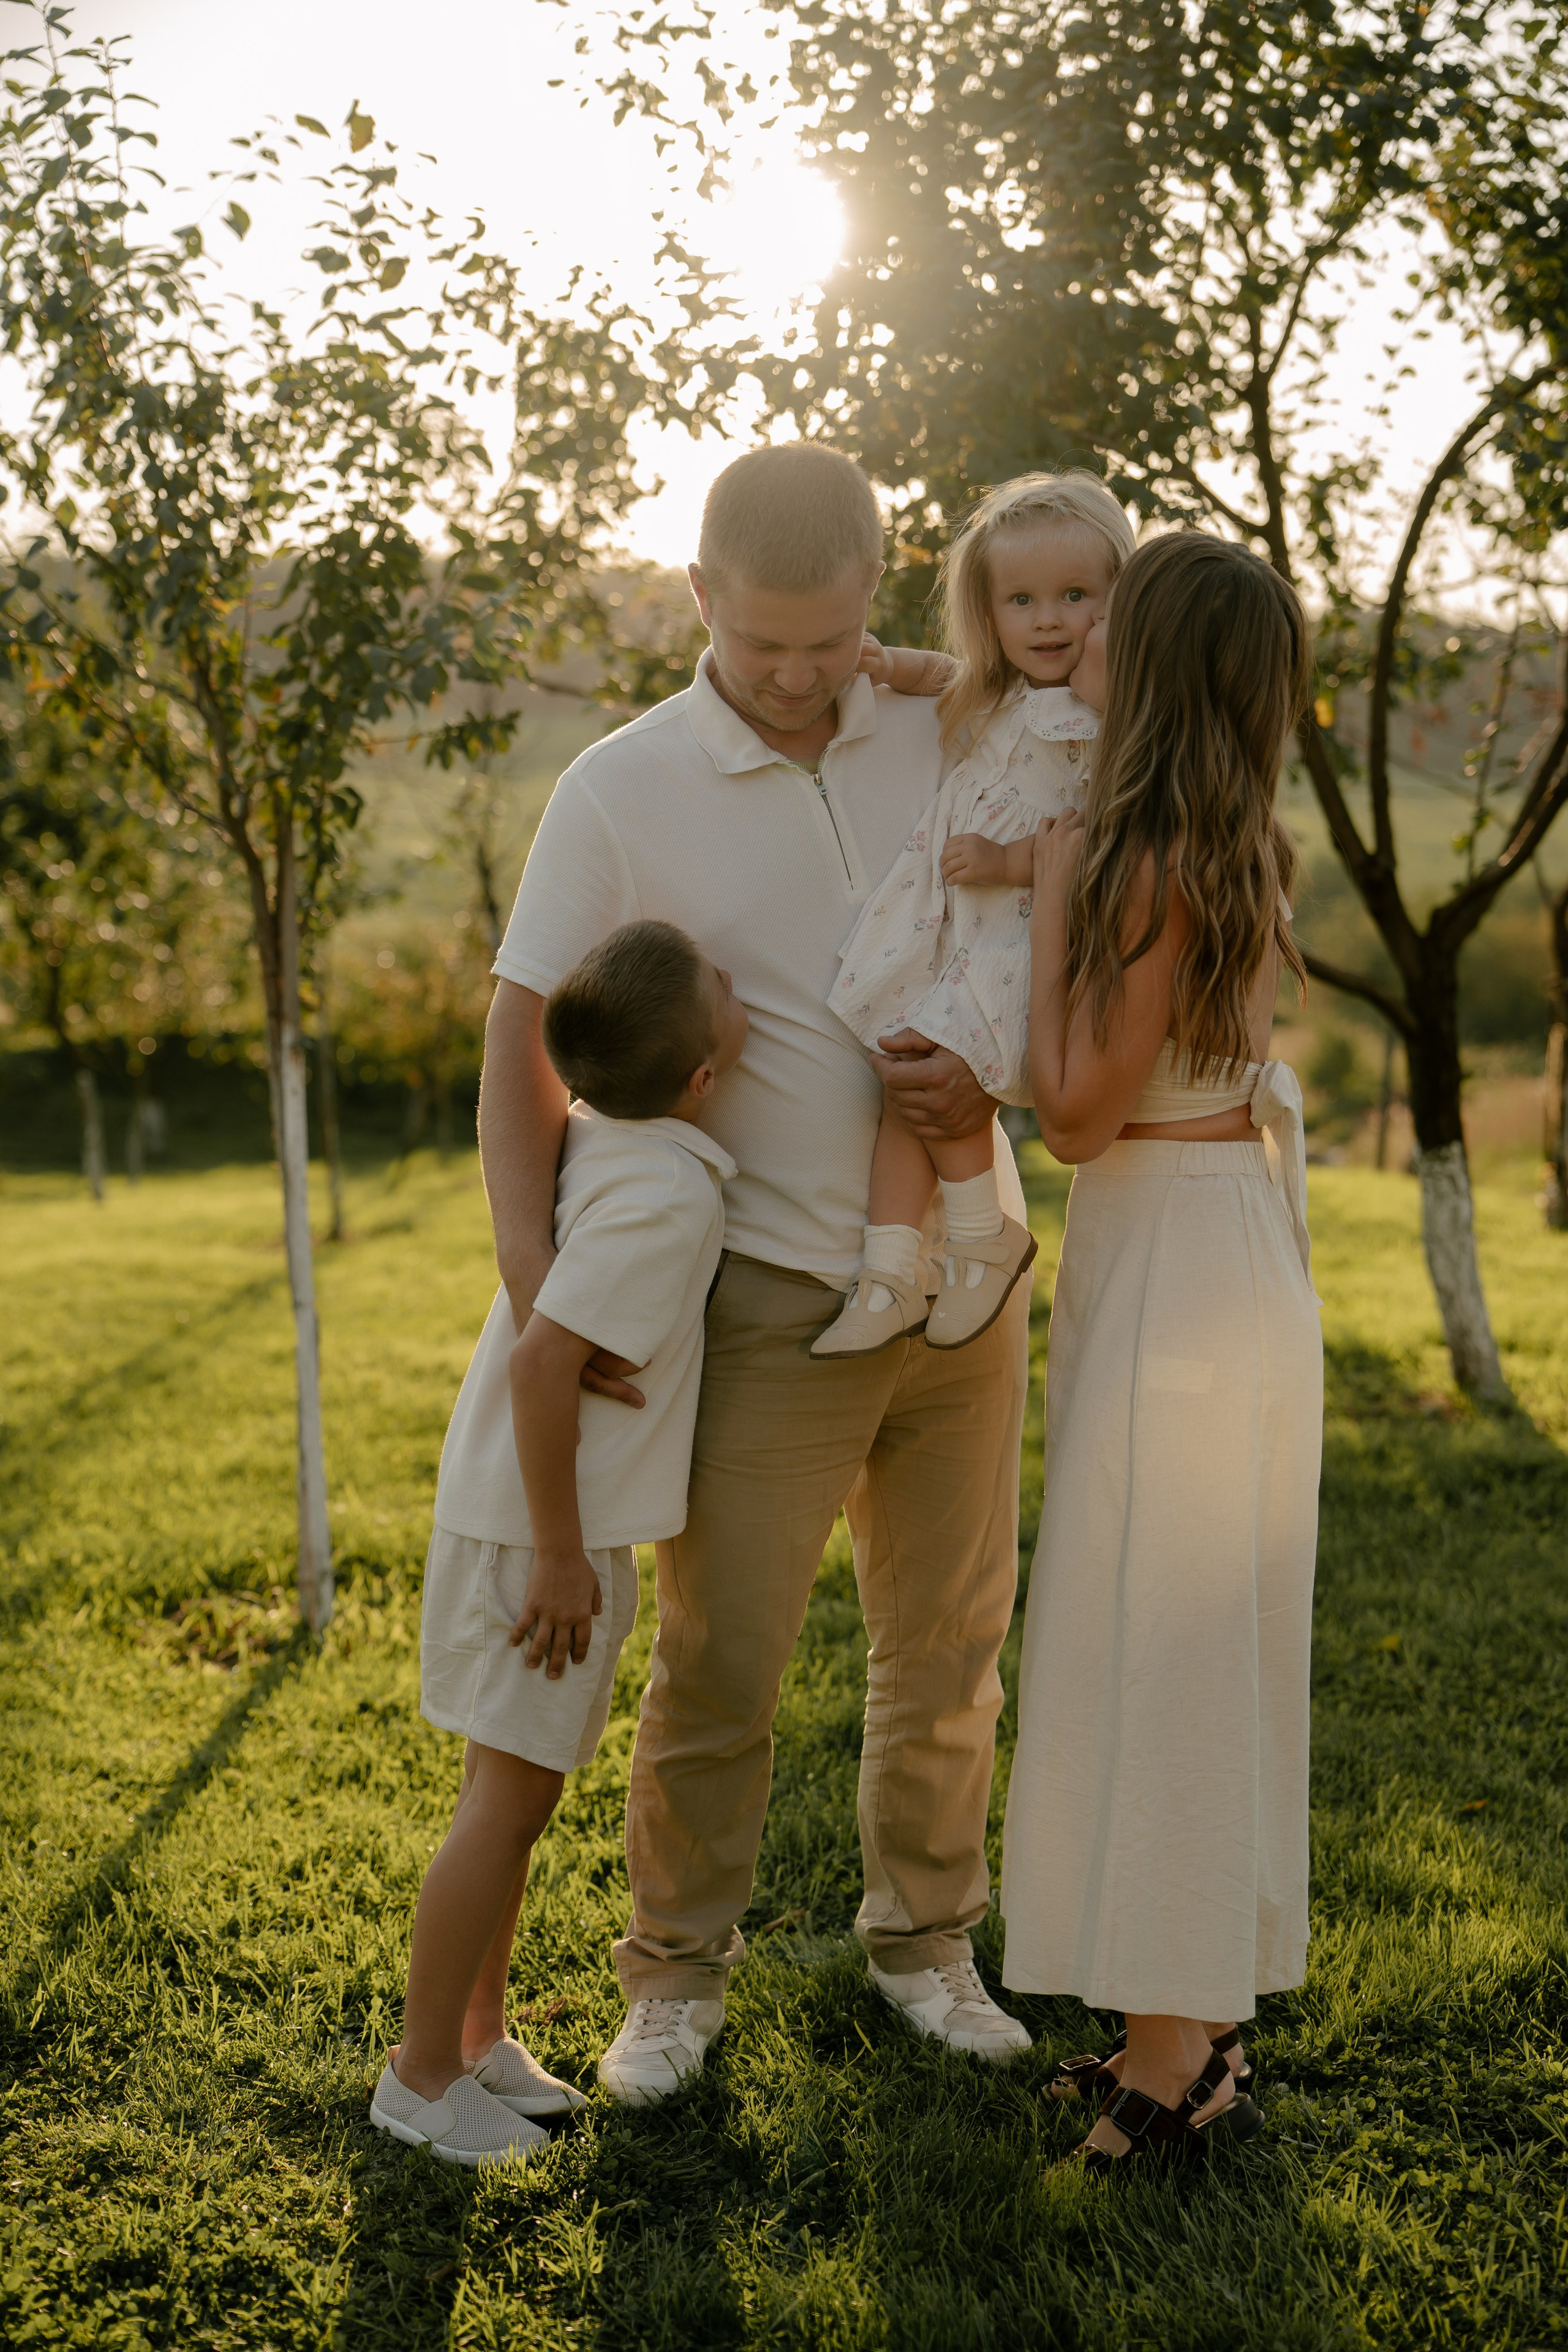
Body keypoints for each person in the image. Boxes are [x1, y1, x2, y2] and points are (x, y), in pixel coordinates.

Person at [480, 442, 1035, 2106]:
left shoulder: (950, 722)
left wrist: (945, 667)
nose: (798, 677)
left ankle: (927, 1946)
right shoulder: (620, 788)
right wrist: (540, 1289)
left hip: (967, 1275)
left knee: (948, 1645)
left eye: (831, 638)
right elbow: (518, 1047)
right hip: (769, 1296)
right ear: (698, 595)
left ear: (880, 591)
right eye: (761, 641)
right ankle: (672, 1979)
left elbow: (1115, 726)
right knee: (722, 1659)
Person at [1000, 531, 1323, 2171]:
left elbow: (1071, 1114)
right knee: (1181, 1628)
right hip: (1207, 1245)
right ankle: (1183, 2026)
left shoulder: (1137, 866)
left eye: (1112, 619)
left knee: (1162, 1637)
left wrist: (1049, 901)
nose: (1085, 638)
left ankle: (1178, 2058)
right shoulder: (1237, 837)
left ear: (1159, 664)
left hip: (1176, 1259)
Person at [371, 920, 748, 2166]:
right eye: (722, 986)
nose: (735, 980)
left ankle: (478, 2038)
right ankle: (420, 2078)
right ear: (701, 1076)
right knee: (506, 1805)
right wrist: (560, 1555)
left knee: (511, 1797)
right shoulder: (665, 1191)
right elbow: (544, 1367)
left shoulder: (603, 1137)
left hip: (528, 1520)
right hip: (542, 1538)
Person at [813, 473, 1136, 1359]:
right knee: (903, 1078)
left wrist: (1005, 861)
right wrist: (886, 665)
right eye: (1020, 600)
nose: (1047, 621)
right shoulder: (1000, 692)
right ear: (988, 612)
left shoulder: (1103, 720)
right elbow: (942, 674)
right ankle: (889, 1271)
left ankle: (978, 1234)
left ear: (1120, 600)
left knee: (935, 1076)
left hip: (1023, 936)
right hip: (957, 928)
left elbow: (1096, 841)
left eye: (1075, 596)